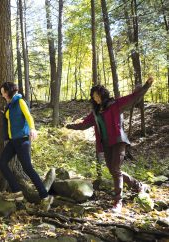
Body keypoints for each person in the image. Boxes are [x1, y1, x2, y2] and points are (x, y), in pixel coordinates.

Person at [66, 77, 154, 213]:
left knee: (115, 169)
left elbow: (132, 98)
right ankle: (138, 185)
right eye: (93, 97)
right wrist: (70, 126)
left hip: (118, 141)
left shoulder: (115, 104)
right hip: (105, 144)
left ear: (103, 94)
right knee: (114, 170)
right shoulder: (95, 112)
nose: (96, 98)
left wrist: (146, 86)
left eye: (97, 95)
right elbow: (84, 124)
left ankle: (118, 202)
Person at [0, 82, 53, 211]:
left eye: (3, 92)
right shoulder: (10, 105)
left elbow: (29, 116)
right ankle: (17, 191)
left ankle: (45, 196)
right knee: (1, 163)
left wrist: (32, 129)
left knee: (27, 168)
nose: (2, 94)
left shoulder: (20, 102)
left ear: (8, 91)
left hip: (22, 140)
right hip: (13, 141)